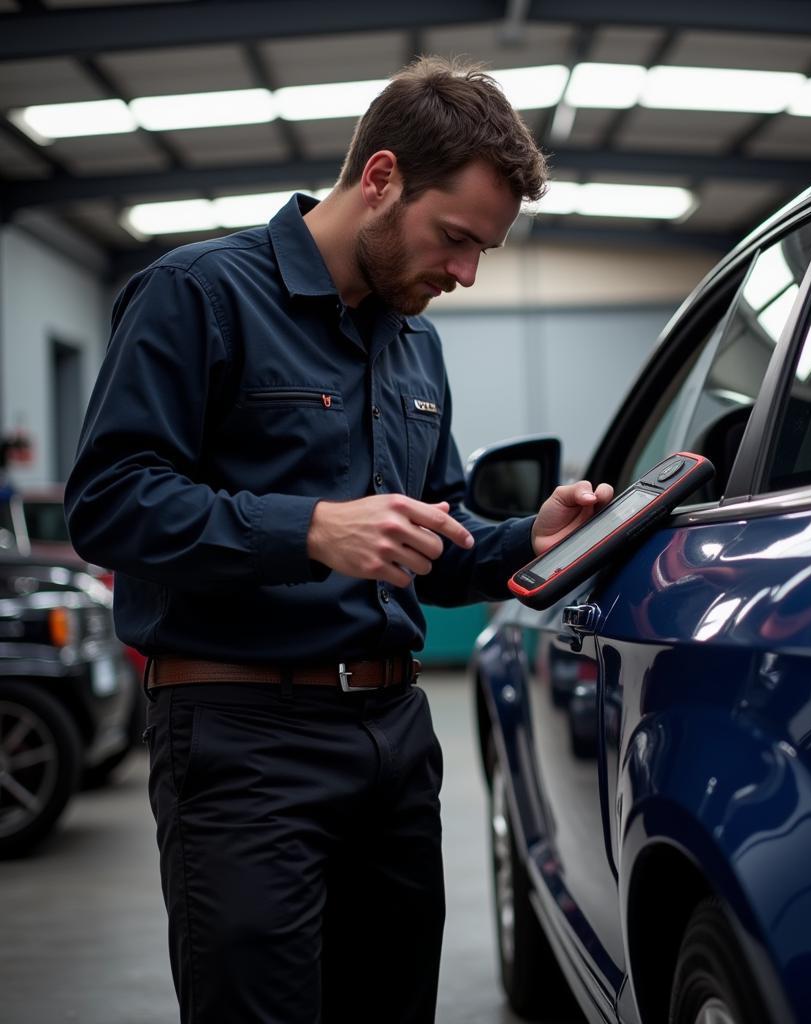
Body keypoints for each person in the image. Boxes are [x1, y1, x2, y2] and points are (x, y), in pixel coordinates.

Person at [65, 56, 612, 1024]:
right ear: (381, 177)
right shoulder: (196, 294)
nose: (464, 272)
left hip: (395, 742)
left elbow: (434, 548)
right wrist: (308, 528)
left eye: (482, 250)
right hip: (243, 741)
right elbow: (110, 503)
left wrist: (530, 534)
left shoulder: (414, 342)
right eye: (454, 238)